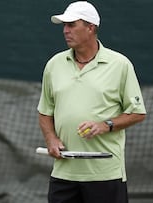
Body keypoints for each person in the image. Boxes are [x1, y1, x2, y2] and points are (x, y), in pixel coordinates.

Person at [37, 1, 146, 203]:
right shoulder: (54, 65)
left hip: (106, 174)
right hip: (64, 174)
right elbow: (45, 111)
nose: (65, 31)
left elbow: (137, 113)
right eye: (64, 26)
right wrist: (51, 139)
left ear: (90, 28)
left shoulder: (120, 65)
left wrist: (106, 125)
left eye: (71, 25)